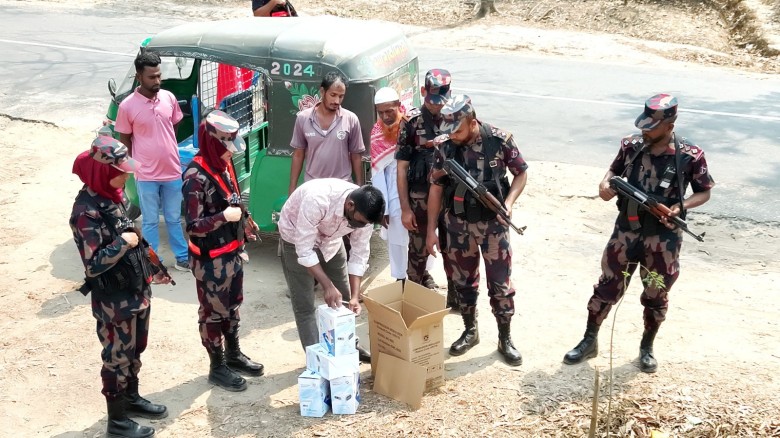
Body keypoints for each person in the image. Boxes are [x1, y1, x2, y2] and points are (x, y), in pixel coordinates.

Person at [562, 94, 715, 373]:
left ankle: (646, 346)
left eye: (651, 127)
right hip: (626, 231)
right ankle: (589, 340)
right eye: (643, 125)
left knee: (656, 292)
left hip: (662, 238)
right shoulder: (631, 146)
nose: (645, 131)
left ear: (670, 124)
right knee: (608, 285)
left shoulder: (690, 155)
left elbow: (704, 191)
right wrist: (605, 183)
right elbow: (613, 171)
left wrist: (681, 206)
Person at [70, 136, 171, 438]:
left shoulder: (116, 198)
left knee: (136, 349)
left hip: (136, 290)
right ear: (102, 170)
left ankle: (132, 399)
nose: (127, 175)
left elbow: (137, 238)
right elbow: (94, 264)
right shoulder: (86, 213)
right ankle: (117, 422)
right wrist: (120, 244)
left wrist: (156, 268)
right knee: (116, 358)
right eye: (121, 170)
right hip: (114, 300)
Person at [426, 95, 528, 366]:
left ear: (472, 122)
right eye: (449, 131)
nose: (452, 136)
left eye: (457, 130)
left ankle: (505, 337)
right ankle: (470, 330)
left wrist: (508, 203)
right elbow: (436, 187)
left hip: (493, 225)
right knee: (463, 281)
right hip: (457, 226)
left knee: (500, 283)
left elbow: (521, 173)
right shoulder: (445, 145)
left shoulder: (499, 139)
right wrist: (430, 230)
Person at [182, 111, 264, 392]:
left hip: (233, 252)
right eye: (226, 147)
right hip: (210, 260)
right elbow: (193, 226)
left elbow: (234, 198)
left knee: (232, 306)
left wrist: (245, 219)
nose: (231, 153)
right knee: (212, 314)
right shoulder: (195, 177)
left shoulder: (223, 165)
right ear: (214, 143)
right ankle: (217, 366)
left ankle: (233, 354)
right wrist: (222, 218)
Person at [277, 179, 385, 362]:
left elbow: (359, 254)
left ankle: (348, 346)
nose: (360, 226)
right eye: (359, 222)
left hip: (332, 243)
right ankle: (317, 360)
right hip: (295, 239)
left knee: (343, 298)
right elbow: (304, 251)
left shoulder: (363, 216)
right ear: (350, 205)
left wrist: (354, 296)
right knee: (304, 305)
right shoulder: (318, 200)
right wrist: (327, 285)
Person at [115, 52, 190, 272]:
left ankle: (182, 258)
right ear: (139, 77)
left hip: (172, 171)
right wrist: (133, 170)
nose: (157, 81)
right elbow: (125, 140)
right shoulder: (127, 107)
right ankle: (151, 260)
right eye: (151, 77)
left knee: (175, 218)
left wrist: (166, 148)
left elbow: (174, 126)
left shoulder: (169, 98)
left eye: (159, 76)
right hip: (146, 175)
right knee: (149, 221)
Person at [396, 69, 457, 306]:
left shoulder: (455, 117)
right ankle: (411, 301)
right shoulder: (411, 123)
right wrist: (404, 209)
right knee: (418, 251)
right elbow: (401, 169)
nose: (437, 107)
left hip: (451, 201)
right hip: (419, 200)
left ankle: (456, 299)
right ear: (423, 92)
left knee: (453, 251)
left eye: (441, 101)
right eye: (432, 101)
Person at [369, 87, 426, 282]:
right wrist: (381, 205)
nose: (385, 116)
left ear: (399, 106)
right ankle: (400, 277)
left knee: (423, 232)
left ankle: (423, 273)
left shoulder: (413, 124)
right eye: (381, 112)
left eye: (389, 111)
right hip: (393, 191)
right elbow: (377, 173)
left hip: (418, 187)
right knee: (397, 237)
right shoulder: (377, 132)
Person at [288, 71, 365, 195]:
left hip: (342, 188)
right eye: (333, 95)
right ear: (322, 92)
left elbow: (356, 156)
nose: (337, 101)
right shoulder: (303, 118)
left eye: (341, 96)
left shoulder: (351, 119)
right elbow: (298, 154)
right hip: (312, 188)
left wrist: (359, 187)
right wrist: (292, 188)